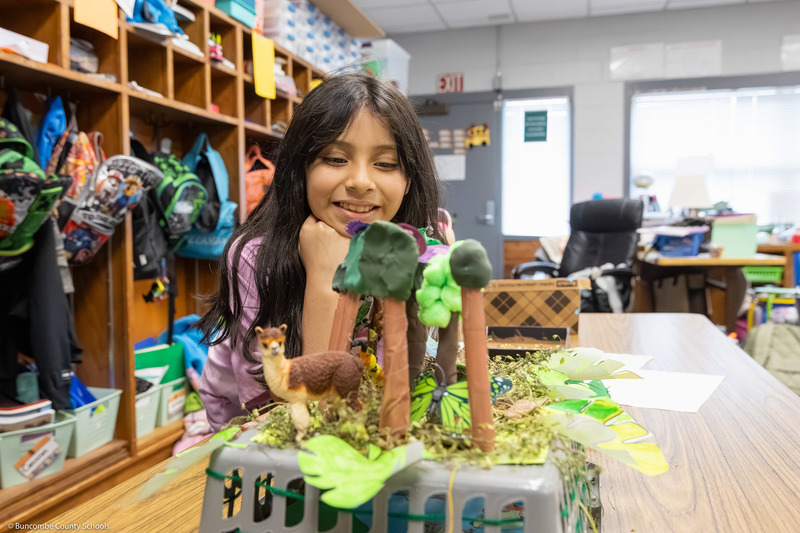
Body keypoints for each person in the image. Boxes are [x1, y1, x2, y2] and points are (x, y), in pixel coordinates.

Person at [196, 73, 443, 431]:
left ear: (409, 180)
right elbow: (294, 417)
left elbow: (401, 379)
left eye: (386, 163)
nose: (361, 181)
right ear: (301, 169)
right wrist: (324, 280)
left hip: (357, 427)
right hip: (252, 441)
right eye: (335, 158)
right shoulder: (254, 259)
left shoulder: (411, 248)